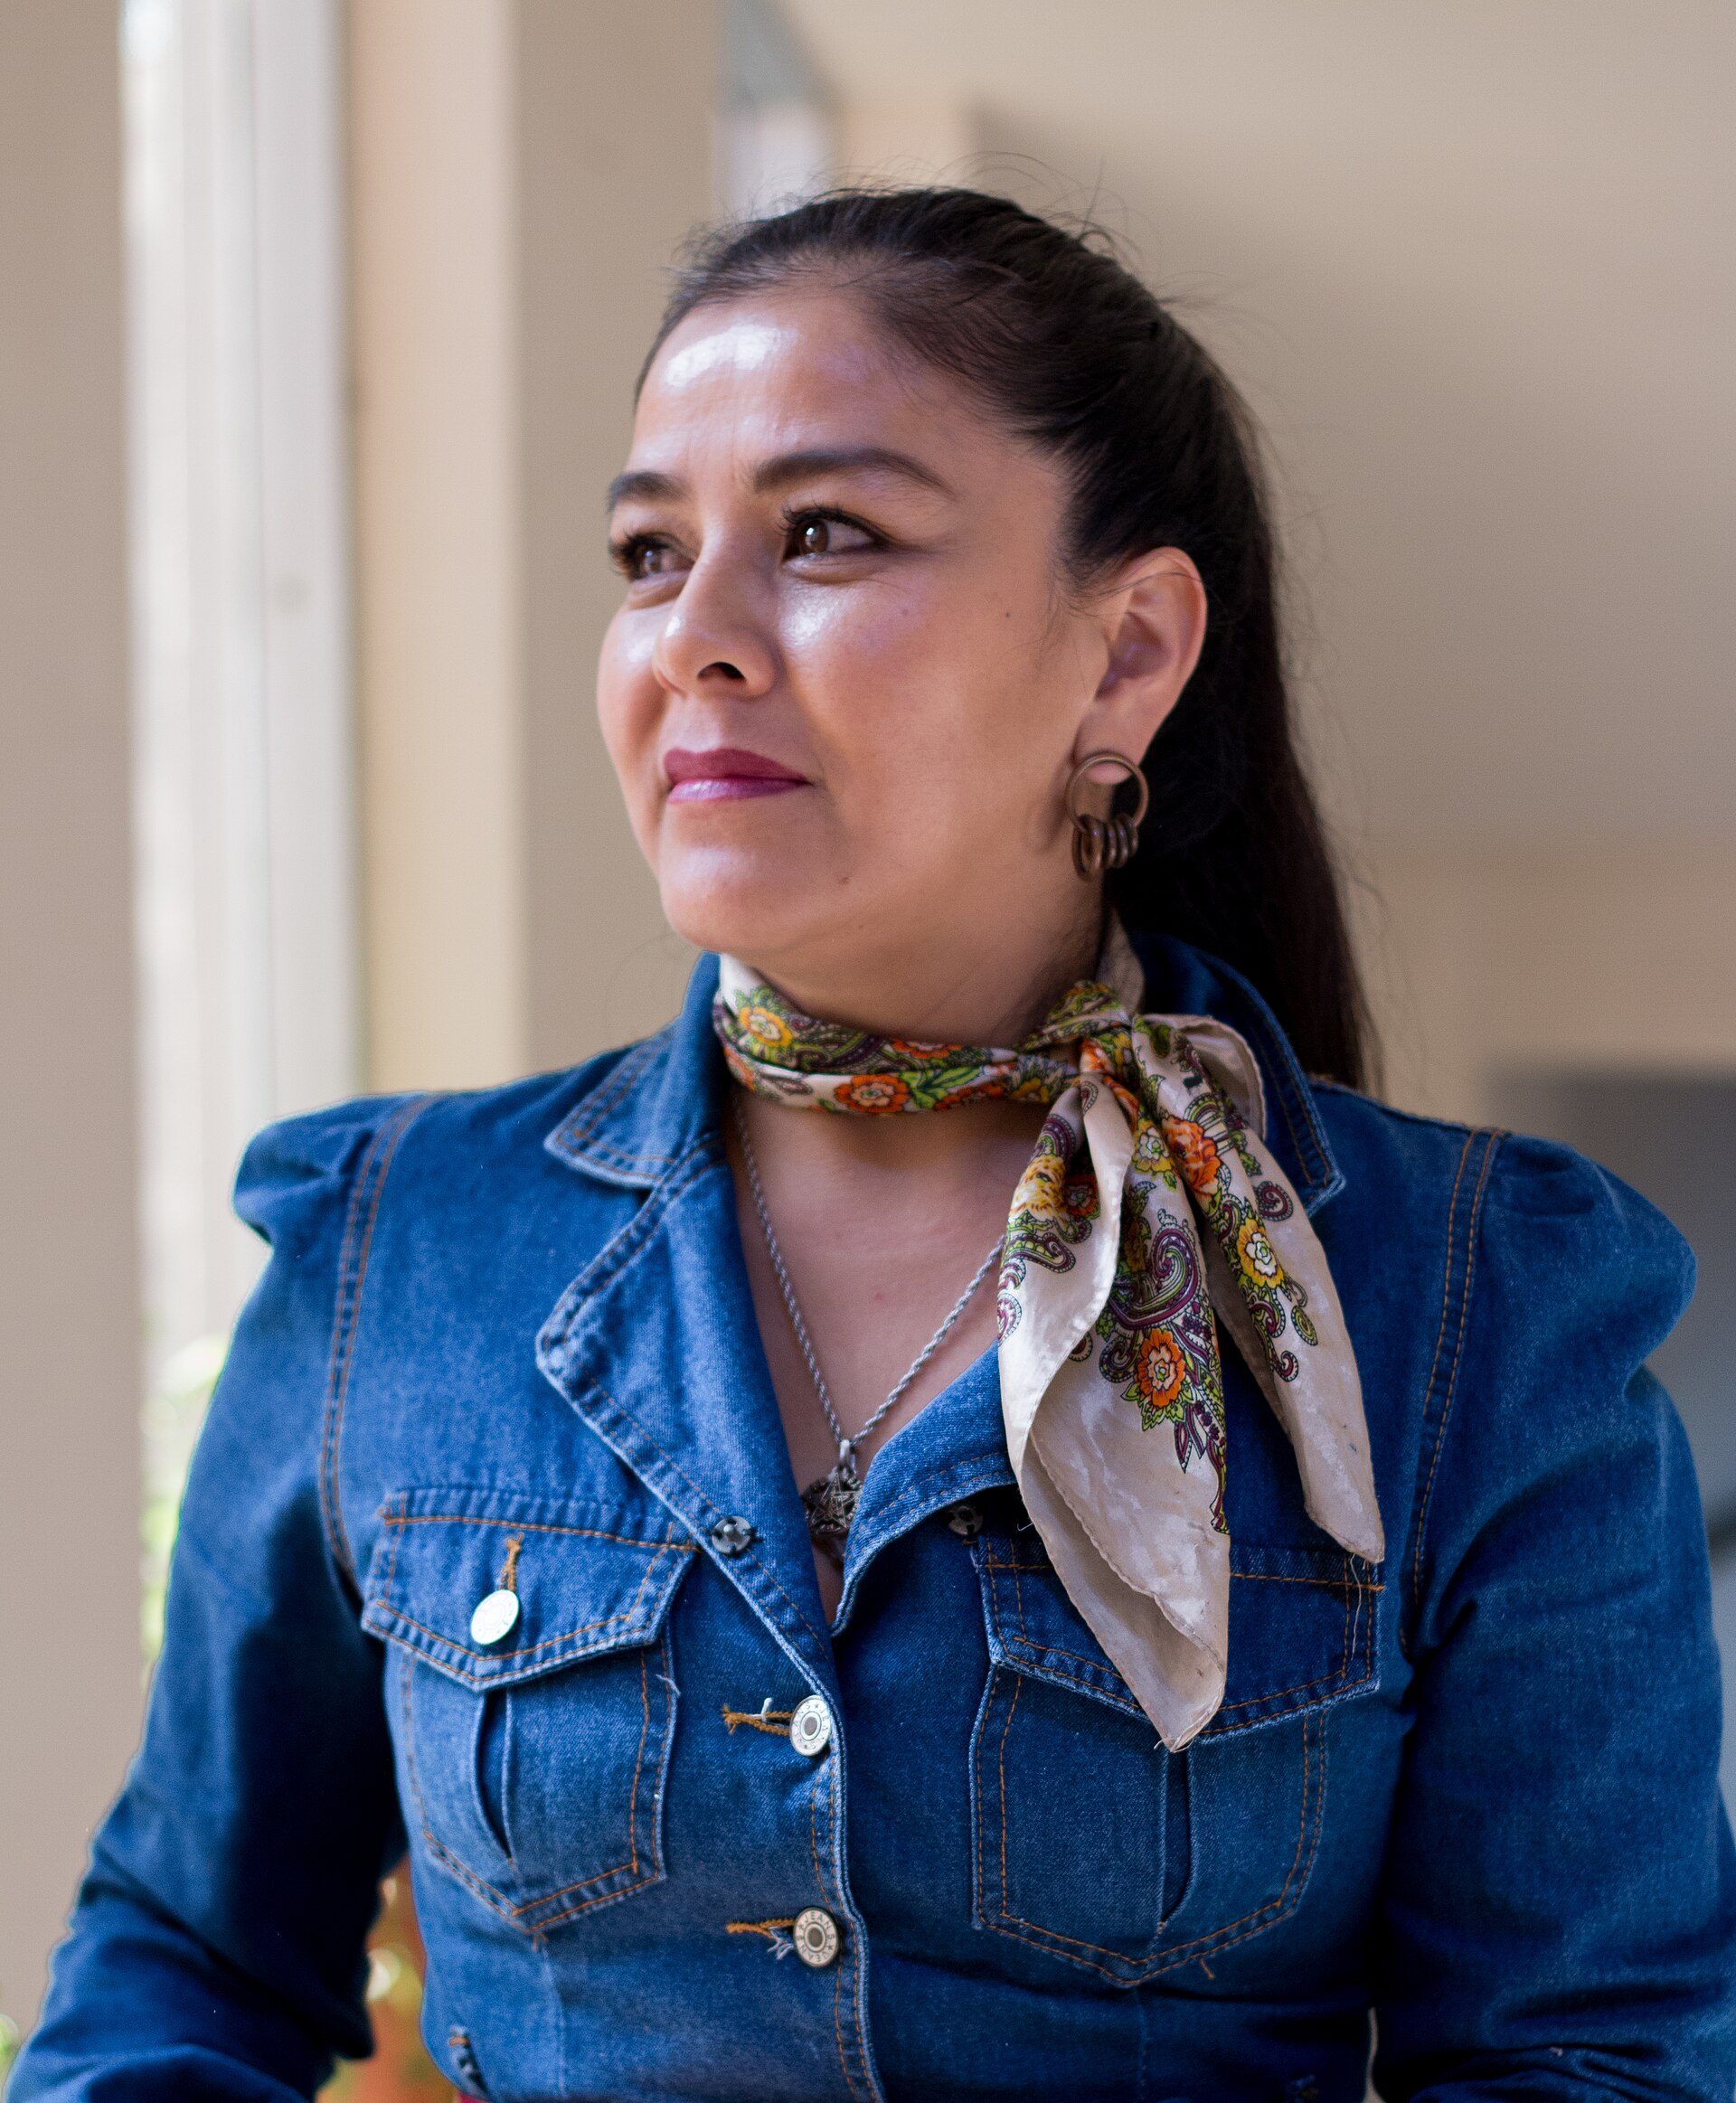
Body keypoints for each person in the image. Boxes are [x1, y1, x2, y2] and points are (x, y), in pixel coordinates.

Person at [15, 186, 1735, 2103]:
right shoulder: (398, 1249)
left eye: (825, 533)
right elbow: (180, 1959)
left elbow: (1597, 2057)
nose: (699, 639)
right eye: (650, 552)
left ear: (1126, 653)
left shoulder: (1478, 1308)